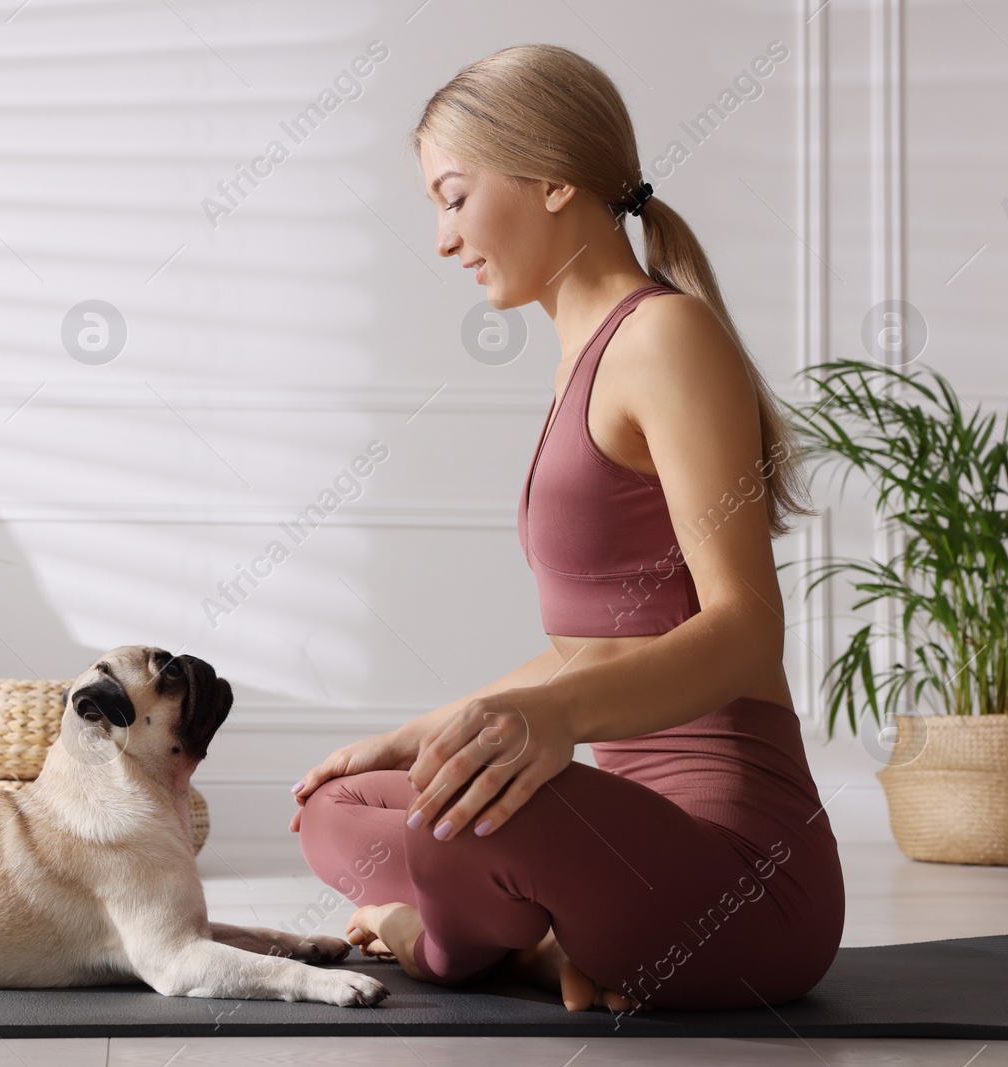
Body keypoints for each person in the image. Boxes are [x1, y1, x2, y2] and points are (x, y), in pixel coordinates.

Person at [288, 43, 844, 1015]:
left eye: (453, 197)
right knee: (332, 806)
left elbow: (747, 623)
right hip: (627, 847)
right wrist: (434, 727)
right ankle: (546, 946)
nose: (441, 238)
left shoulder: (663, 337)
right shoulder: (579, 358)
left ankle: (455, 943)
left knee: (457, 829)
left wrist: (561, 717)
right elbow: (591, 645)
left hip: (745, 880)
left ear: (549, 176)